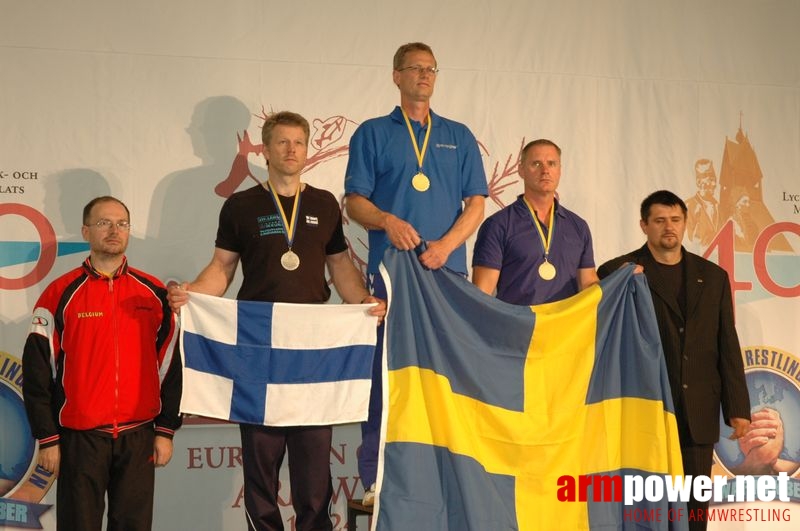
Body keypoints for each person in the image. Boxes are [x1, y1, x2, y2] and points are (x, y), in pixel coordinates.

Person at [167, 111, 385, 531]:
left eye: (298, 143)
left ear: (307, 150)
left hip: (310, 350)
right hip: (259, 348)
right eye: (281, 143)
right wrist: (191, 294)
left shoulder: (323, 203)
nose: (291, 150)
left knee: (314, 475)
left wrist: (362, 301)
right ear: (265, 151)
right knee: (261, 472)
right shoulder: (241, 205)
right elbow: (222, 268)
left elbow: (339, 266)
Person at [344, 41, 488, 504]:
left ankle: (454, 476)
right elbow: (354, 203)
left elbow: (477, 204)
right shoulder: (372, 132)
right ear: (396, 76)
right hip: (393, 275)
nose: (424, 76)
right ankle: (376, 480)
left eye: (431, 70)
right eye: (415, 69)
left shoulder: (459, 135)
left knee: (450, 377)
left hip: (446, 274)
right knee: (388, 378)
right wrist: (386, 221)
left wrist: (447, 245)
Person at [22, 196, 181, 531]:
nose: (114, 230)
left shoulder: (153, 294)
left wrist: (166, 429)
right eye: (104, 223)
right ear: (85, 231)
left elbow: (171, 365)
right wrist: (47, 437)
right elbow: (37, 374)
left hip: (138, 436)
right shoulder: (58, 294)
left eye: (122, 224)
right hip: (80, 438)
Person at [597, 190, 751, 531]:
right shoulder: (617, 272)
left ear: (685, 223)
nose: (669, 227)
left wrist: (738, 407)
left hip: (698, 411)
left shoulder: (712, 277)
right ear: (644, 226)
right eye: (660, 220)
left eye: (676, 219)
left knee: (695, 508)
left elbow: (726, 342)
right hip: (643, 409)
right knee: (643, 507)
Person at [472, 139, 598, 304]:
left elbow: (588, 285)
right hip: (519, 328)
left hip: (566, 328)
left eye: (552, 164)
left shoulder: (578, 226)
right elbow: (482, 294)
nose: (545, 170)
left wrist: (620, 279)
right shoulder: (498, 225)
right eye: (536, 164)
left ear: (560, 170)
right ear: (521, 170)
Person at [685, 159, 719, 247]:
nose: (714, 183)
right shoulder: (689, 206)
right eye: (710, 179)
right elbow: (689, 242)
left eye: (714, 179)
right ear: (699, 182)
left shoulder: (718, 207)